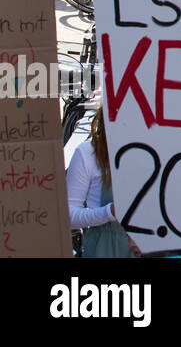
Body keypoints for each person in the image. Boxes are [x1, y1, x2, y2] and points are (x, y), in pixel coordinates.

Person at [66, 108, 136, 258]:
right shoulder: (87, 153)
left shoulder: (153, 152)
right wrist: (108, 212)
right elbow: (68, 216)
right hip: (102, 250)